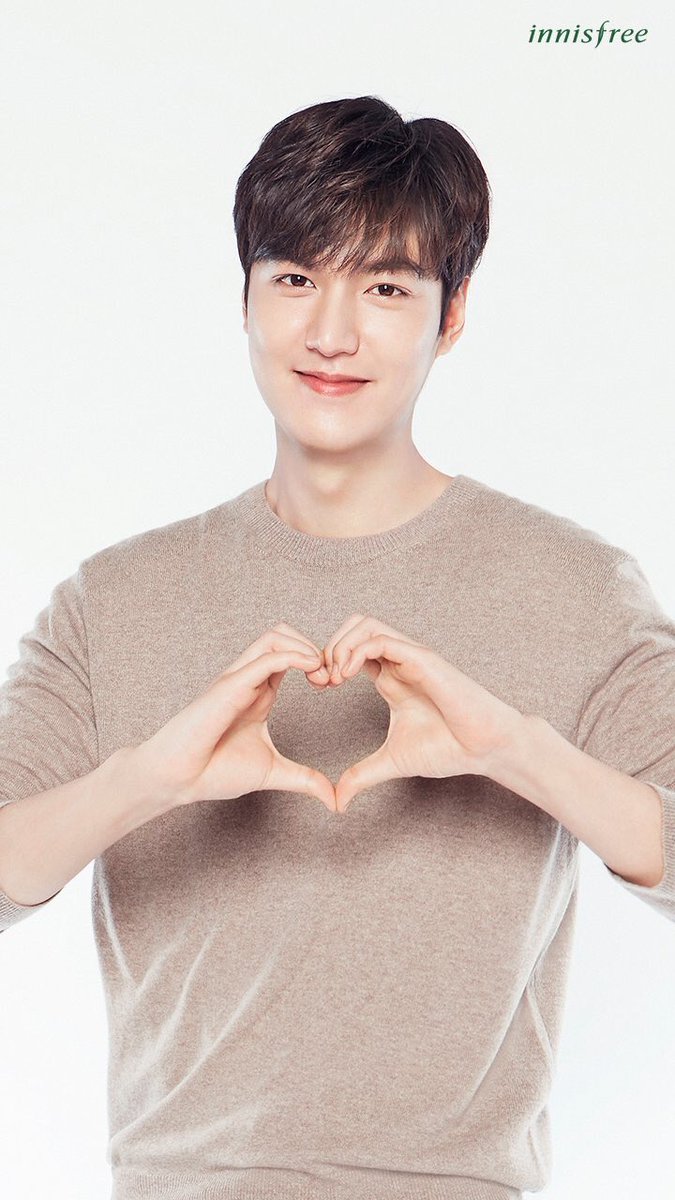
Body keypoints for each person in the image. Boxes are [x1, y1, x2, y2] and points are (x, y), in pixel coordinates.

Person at [0, 94, 673, 1200]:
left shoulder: (575, 586)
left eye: (387, 288)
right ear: (246, 297)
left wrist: (516, 751)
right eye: (297, 279)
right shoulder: (110, 600)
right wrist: (145, 779)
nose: (331, 333)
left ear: (452, 315)